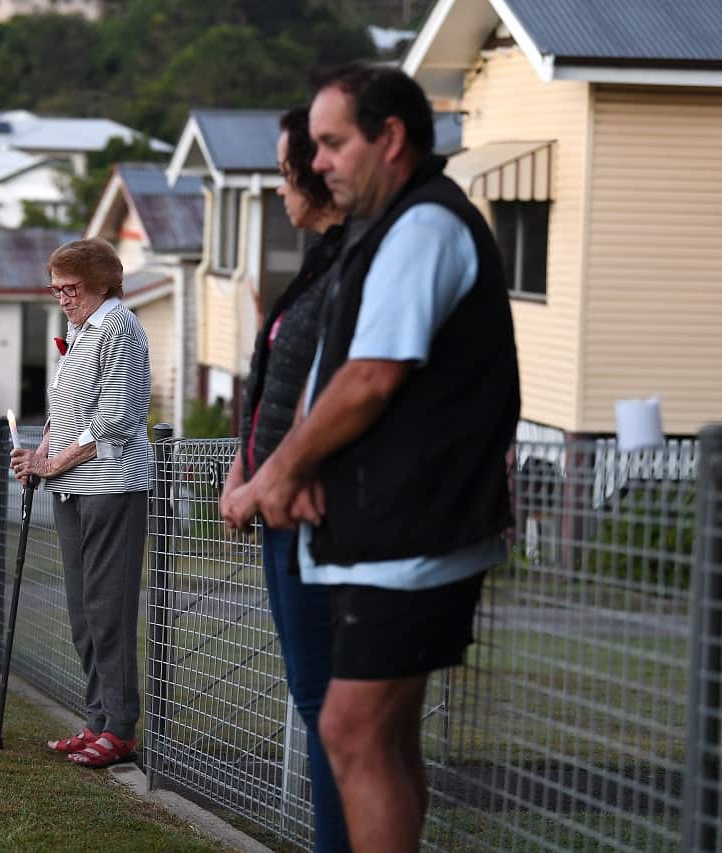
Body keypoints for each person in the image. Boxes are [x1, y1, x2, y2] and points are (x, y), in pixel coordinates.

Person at [225, 62, 520, 852]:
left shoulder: (424, 226)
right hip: (397, 531)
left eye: (332, 143)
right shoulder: (390, 227)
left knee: (351, 730)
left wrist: (277, 473)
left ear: (390, 138)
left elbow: (368, 378)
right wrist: (304, 465)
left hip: (413, 533)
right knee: (381, 738)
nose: (315, 163)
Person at [218, 105, 350, 852]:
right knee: (313, 696)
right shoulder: (319, 260)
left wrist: (265, 479)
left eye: (282, 170)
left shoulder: (348, 262)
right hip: (270, 505)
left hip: (304, 509)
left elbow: (332, 390)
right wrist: (242, 463)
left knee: (324, 701)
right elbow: (274, 382)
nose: (280, 188)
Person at [10, 238, 152, 769]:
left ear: (101, 282)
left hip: (111, 484)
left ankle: (120, 728)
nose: (63, 298)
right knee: (81, 612)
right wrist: (37, 455)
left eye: (71, 288)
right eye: (56, 288)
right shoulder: (79, 329)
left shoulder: (121, 328)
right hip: (71, 486)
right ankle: (97, 719)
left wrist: (52, 463)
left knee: (106, 609)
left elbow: (113, 421)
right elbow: (62, 411)